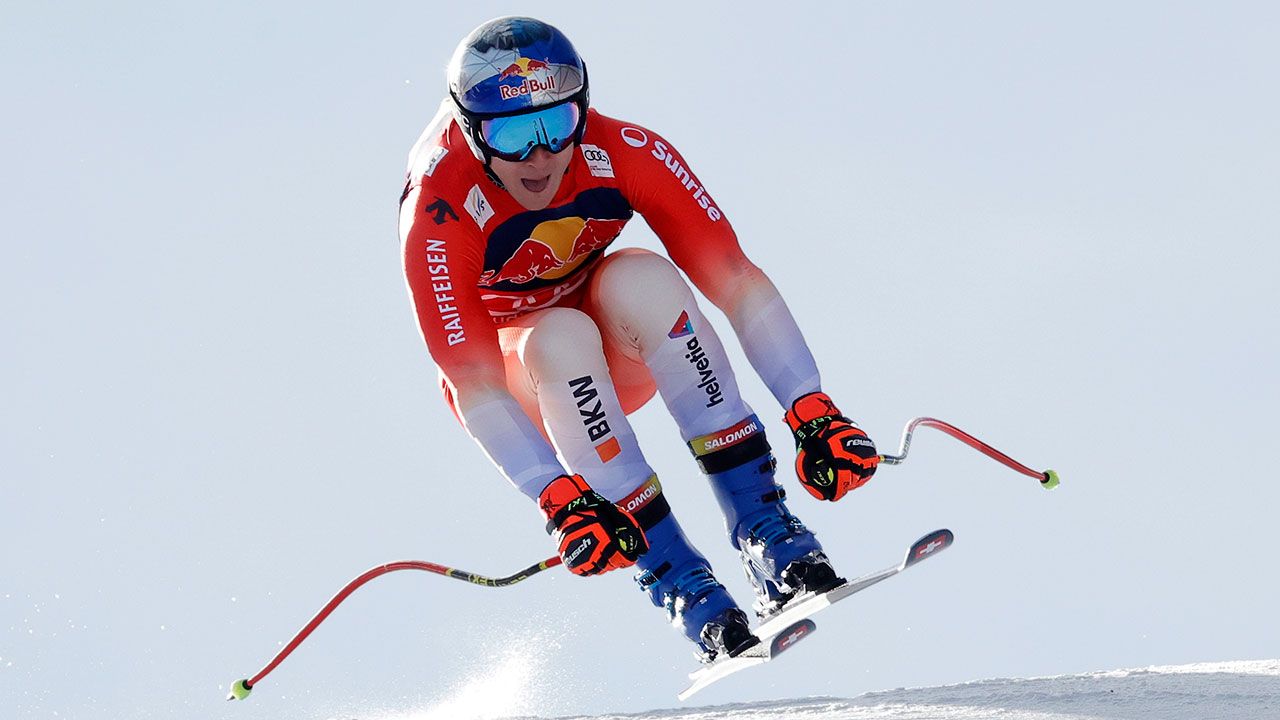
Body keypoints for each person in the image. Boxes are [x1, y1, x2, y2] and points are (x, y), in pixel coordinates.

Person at [399, 16, 880, 662]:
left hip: (621, 348)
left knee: (648, 280)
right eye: (512, 134)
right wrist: (557, 496)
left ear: (583, 109)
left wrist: (809, 403)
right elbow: (470, 380)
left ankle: (769, 535)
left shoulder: (623, 150)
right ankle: (685, 587)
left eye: (555, 126)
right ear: (470, 132)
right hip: (532, 382)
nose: (538, 156)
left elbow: (735, 280)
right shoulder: (438, 205)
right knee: (560, 337)